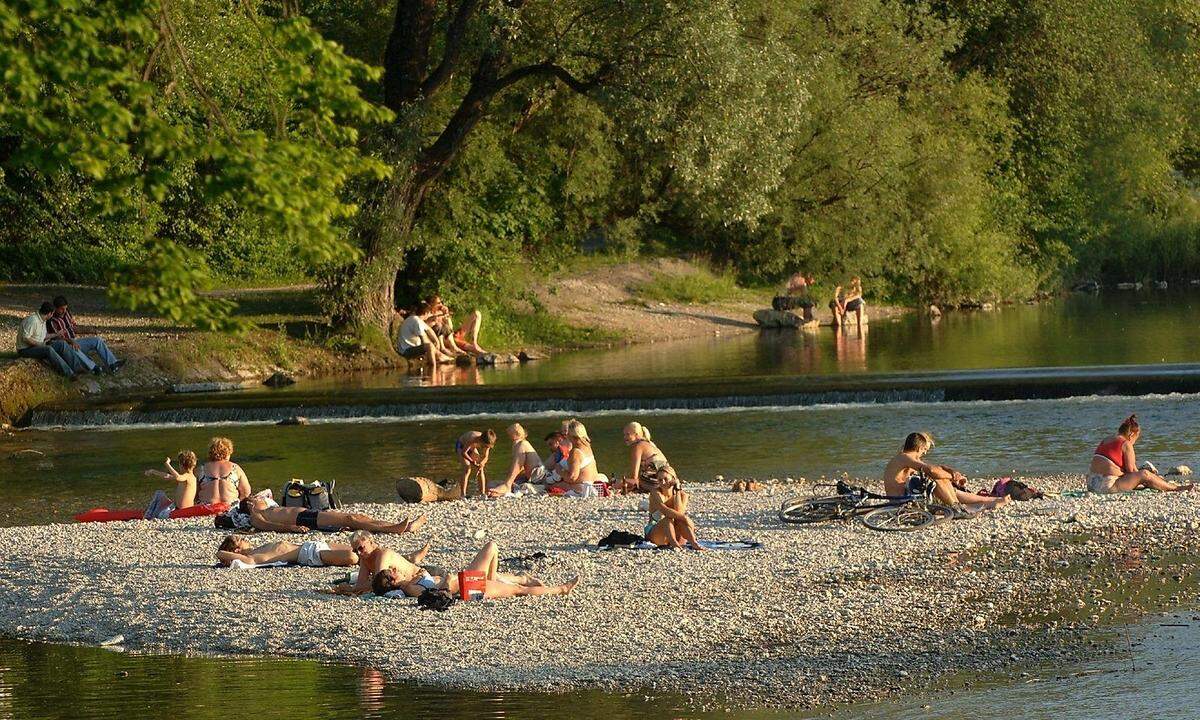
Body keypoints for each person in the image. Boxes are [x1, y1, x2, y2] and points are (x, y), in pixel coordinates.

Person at [369, 540, 578, 600]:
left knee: (516, 588)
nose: (394, 569)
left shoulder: (408, 583)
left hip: (467, 586)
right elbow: (433, 595)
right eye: (392, 572)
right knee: (493, 548)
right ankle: (561, 589)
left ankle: (557, 588)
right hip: (466, 587)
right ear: (392, 581)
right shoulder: (408, 588)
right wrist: (446, 579)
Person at [882, 432, 1010, 514]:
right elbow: (932, 470)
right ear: (919, 448)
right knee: (937, 479)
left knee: (942, 481)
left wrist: (953, 473)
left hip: (908, 496)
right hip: (899, 501)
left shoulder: (908, 458)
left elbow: (936, 467)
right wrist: (951, 477)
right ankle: (958, 508)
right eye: (925, 450)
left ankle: (990, 501)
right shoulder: (905, 457)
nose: (925, 453)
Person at [1088, 414, 1194, 493]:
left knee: (1145, 476)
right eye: (1136, 438)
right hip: (1107, 486)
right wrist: (1152, 478)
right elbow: (1132, 471)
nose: (1134, 442)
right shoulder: (1126, 444)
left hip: (1091, 484)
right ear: (1131, 434)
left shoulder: (1106, 439)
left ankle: (1162, 483)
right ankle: (1176, 488)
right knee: (1145, 474)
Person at [237, 494, 428, 534]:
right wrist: (292, 528)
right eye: (255, 497)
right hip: (305, 519)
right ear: (250, 503)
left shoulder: (267, 508)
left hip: (310, 513)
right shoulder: (256, 513)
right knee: (351, 519)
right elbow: (267, 527)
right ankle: (394, 530)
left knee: (358, 518)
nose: (260, 497)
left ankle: (402, 526)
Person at [325, 531, 431, 595]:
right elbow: (360, 585)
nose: (359, 553)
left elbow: (380, 584)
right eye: (355, 551)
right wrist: (355, 588)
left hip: (420, 578)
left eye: (361, 548)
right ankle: (412, 557)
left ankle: (413, 557)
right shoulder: (365, 558)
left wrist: (351, 588)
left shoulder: (382, 555)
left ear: (371, 542)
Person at [47, 295, 123, 374]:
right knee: (72, 348)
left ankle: (113, 364)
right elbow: (56, 338)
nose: (64, 311)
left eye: (65, 308)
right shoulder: (52, 320)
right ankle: (94, 368)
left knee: (97, 340)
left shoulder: (66, 313)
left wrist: (91, 330)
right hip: (66, 345)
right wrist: (70, 341)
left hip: (76, 341)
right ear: (56, 308)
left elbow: (74, 328)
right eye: (62, 309)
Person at [15, 301, 86, 379]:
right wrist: (39, 344)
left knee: (61, 344)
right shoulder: (33, 320)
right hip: (25, 350)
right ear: (49, 313)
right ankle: (69, 374)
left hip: (37, 346)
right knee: (48, 349)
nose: (52, 316)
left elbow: (43, 336)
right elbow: (25, 338)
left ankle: (77, 367)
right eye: (52, 314)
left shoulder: (42, 320)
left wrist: (56, 334)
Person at [217, 536, 360, 568]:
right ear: (237, 550)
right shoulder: (255, 557)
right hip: (309, 554)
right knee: (353, 557)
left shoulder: (257, 550)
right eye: (241, 540)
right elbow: (220, 554)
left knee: (360, 548)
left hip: (312, 545)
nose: (245, 539)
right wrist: (223, 554)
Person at [645, 476, 704, 550]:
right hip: (655, 531)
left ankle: (694, 543)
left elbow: (679, 513)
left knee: (680, 521)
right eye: (660, 480)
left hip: (675, 531)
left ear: (673, 479)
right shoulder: (655, 493)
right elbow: (665, 511)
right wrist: (685, 518)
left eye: (666, 479)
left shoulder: (683, 495)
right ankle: (674, 543)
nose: (663, 482)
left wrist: (677, 491)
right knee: (668, 519)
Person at [617, 422, 678, 494]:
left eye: (627, 434)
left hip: (657, 483)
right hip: (669, 482)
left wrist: (618, 483)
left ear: (636, 434)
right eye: (624, 434)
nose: (624, 437)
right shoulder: (649, 443)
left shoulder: (637, 447)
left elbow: (634, 478)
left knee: (618, 482)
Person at [487, 423, 545, 497]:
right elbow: (520, 469)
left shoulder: (523, 443)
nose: (509, 436)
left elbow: (518, 466)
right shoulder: (516, 444)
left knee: (523, 444)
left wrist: (508, 483)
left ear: (517, 433)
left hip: (539, 477)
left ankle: (507, 485)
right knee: (491, 484)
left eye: (510, 434)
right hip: (528, 479)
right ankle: (507, 487)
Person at [195, 437, 252, 506]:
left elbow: (194, 494)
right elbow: (246, 492)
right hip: (229, 508)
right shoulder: (235, 468)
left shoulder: (201, 469)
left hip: (207, 508)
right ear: (228, 452)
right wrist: (238, 503)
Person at [142, 451, 199, 517]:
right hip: (178, 508)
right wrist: (153, 471)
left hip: (180, 511)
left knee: (159, 493)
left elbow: (177, 477)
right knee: (161, 496)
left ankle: (147, 515)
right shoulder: (189, 477)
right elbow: (167, 476)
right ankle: (152, 512)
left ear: (181, 465)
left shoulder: (187, 476)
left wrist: (167, 464)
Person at [549, 420, 597, 494]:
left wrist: (560, 470)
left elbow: (572, 477)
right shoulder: (587, 446)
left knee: (548, 485)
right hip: (591, 483)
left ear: (570, 435)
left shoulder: (576, 452)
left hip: (580, 487)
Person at [456, 429, 496, 497]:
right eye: (485, 446)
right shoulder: (473, 438)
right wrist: (472, 461)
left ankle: (482, 493)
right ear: (481, 441)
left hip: (472, 448)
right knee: (467, 469)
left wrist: (481, 464)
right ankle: (463, 494)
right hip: (461, 446)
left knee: (481, 469)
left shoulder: (489, 442)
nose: (486, 447)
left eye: (487, 446)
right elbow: (464, 452)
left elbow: (486, 457)